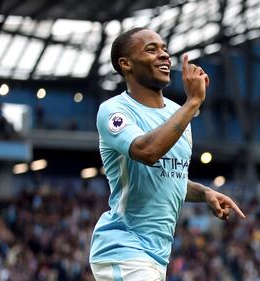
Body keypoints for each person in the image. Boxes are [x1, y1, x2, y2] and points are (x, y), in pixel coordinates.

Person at [89, 27, 245, 281]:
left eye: (164, 49)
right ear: (126, 64)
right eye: (152, 50)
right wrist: (192, 102)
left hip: (155, 257)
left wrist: (204, 193)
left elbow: (168, 177)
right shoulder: (115, 110)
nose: (164, 55)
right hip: (123, 247)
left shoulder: (178, 115)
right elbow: (147, 151)